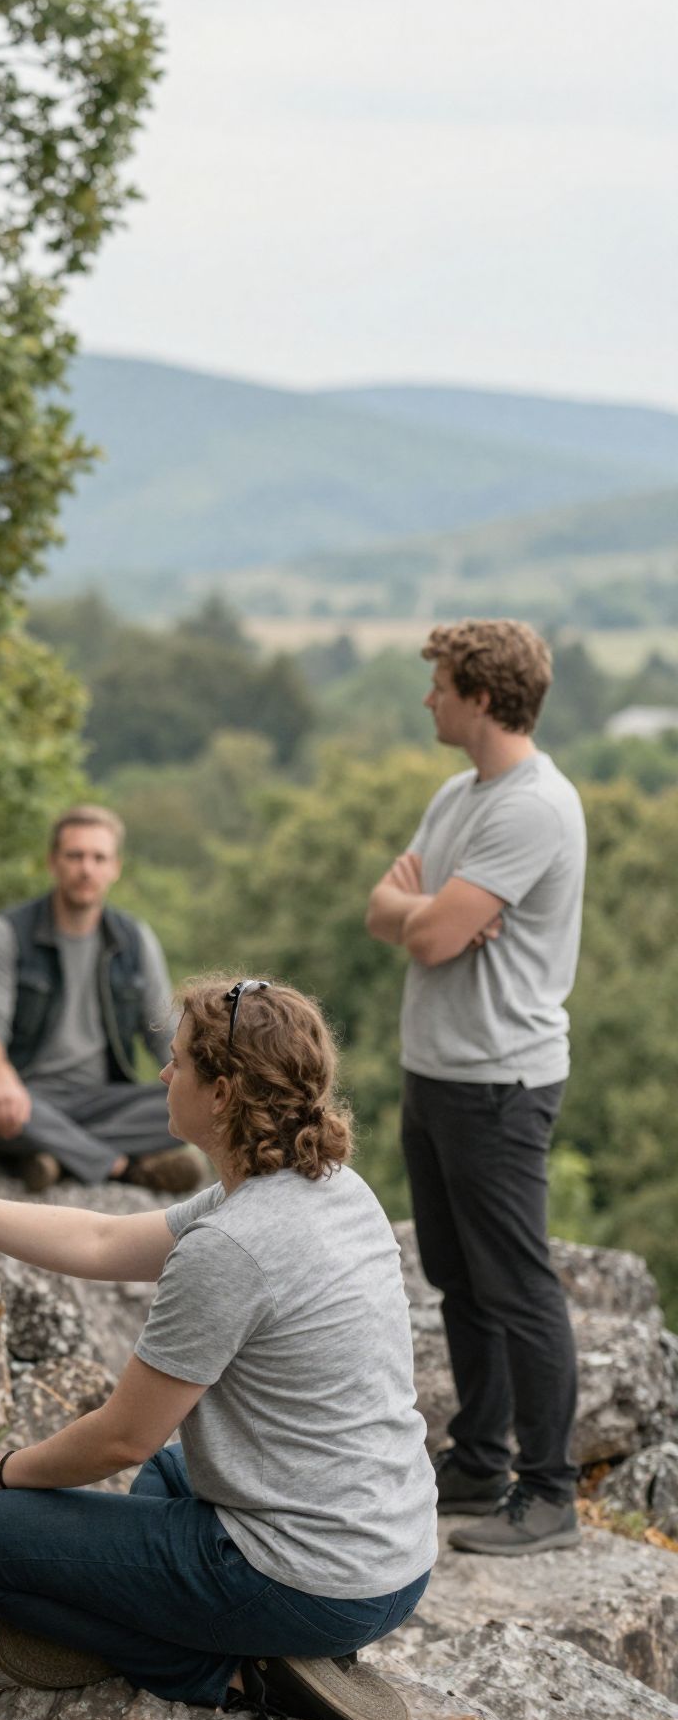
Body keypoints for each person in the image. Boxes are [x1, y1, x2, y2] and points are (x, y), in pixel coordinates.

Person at [0, 977, 435, 1720]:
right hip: (395, 1560)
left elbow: (122, 1437)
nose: (163, 1073)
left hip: (313, 1585)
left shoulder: (233, 1246)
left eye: (178, 1060)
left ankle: (237, 1670)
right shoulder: (328, 1187)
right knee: (176, 1472)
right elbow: (101, 1240)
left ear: (223, 1093)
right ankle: (180, 1623)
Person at [366, 620, 587, 1559]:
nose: (430, 699)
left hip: (500, 1080)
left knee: (517, 1285)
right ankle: (479, 1461)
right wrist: (431, 910)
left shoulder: (533, 808)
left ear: (483, 698)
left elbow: (422, 934)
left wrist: (425, 913)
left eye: (443, 686)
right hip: (437, 1071)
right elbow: (390, 911)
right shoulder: (460, 794)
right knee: (458, 1278)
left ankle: (550, 1491)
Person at [0, 804, 200, 1195]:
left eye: (98, 858)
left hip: (103, 1098)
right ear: (53, 862)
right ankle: (123, 1167)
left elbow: (164, 1031)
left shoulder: (135, 940)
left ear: (115, 867)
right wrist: (1, 1079)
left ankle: (56, 1156)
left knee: (192, 1105)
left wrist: (200, 1085)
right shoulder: (6, 933)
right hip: (27, 1094)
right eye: (75, 856)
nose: (86, 869)